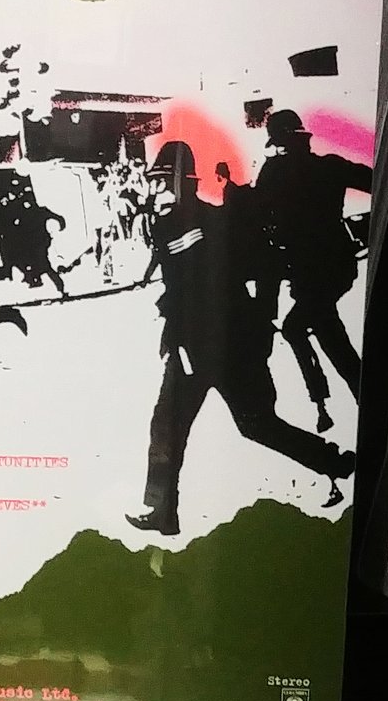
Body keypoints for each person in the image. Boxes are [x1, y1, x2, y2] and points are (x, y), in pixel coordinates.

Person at [126, 142, 355, 536]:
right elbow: (181, 281)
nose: (155, 188)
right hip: (202, 345)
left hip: (220, 345)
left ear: (182, 182)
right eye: (155, 181)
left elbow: (260, 267)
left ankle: (335, 464)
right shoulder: (169, 224)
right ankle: (163, 512)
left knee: (248, 425)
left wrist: (261, 320)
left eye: (161, 180)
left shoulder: (209, 222)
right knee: (179, 425)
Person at [247, 108, 371, 430]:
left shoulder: (274, 173)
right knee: (324, 332)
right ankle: (348, 401)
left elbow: (256, 218)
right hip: (336, 268)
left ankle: (336, 402)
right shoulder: (330, 166)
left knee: (305, 330)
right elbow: (378, 180)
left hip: (308, 272)